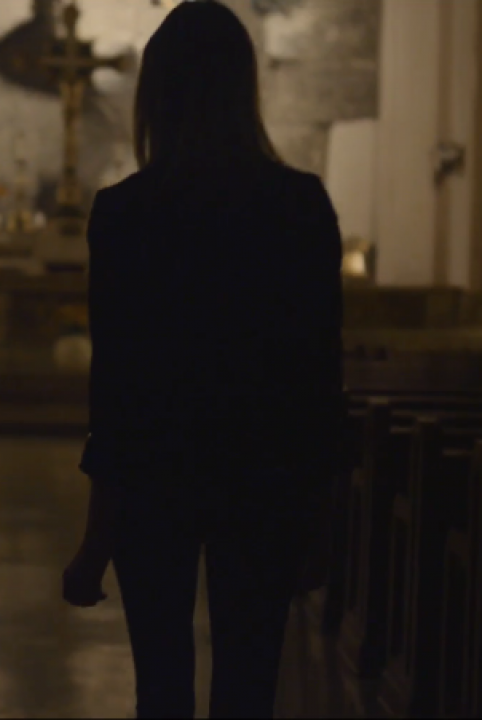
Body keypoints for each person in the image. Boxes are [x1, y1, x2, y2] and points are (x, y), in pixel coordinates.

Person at [63, 1, 343, 718]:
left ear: (156, 94)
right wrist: (320, 516)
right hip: (265, 473)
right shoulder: (300, 207)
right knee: (250, 687)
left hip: (154, 473)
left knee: (160, 689)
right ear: (243, 89)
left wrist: (97, 536)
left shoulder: (126, 213)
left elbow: (116, 390)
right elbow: (317, 379)